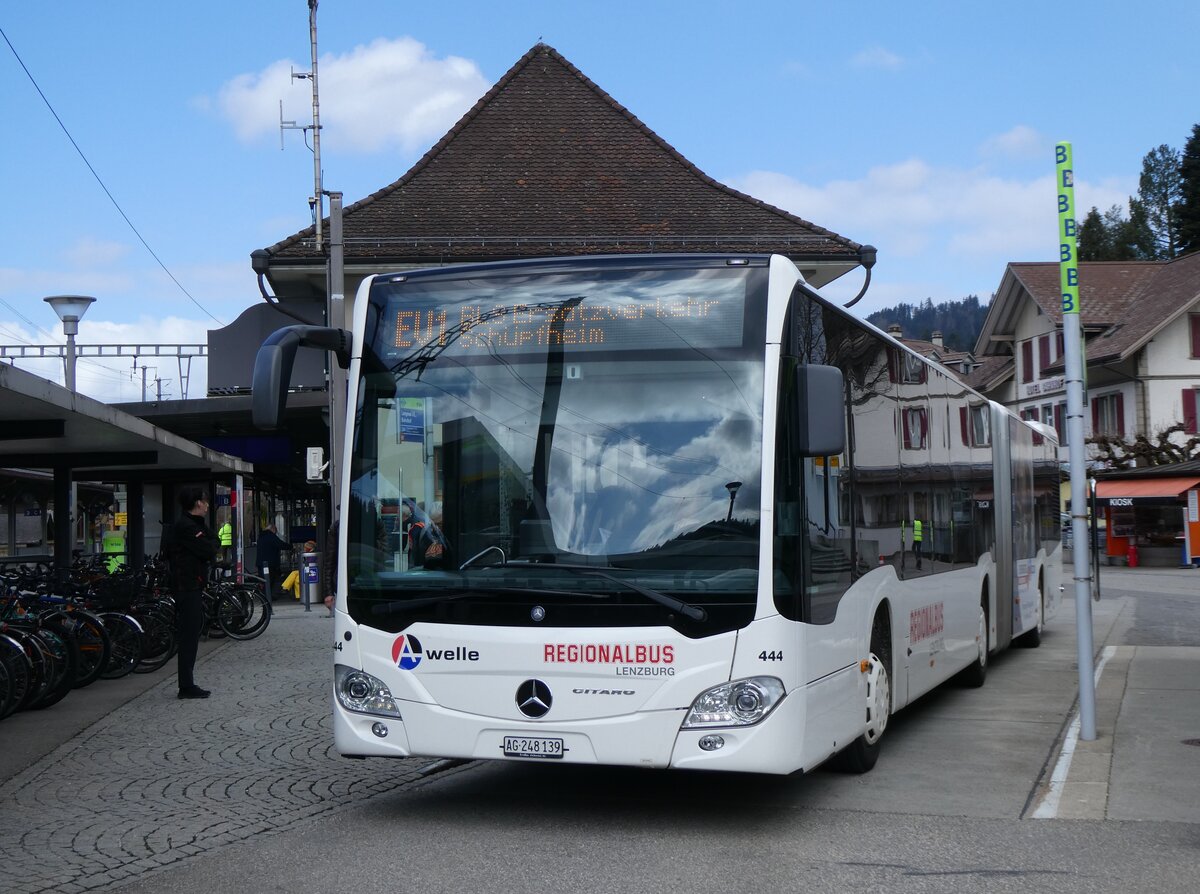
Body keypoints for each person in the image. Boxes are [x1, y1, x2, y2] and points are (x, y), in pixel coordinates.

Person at [167, 486, 217, 700]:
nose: (207, 506)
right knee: (188, 635)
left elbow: (213, 542)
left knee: (192, 632)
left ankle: (187, 683)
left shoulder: (193, 524)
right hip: (185, 586)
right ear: (198, 503)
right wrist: (207, 544)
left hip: (192, 584)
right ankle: (186, 686)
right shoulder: (186, 526)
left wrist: (206, 540)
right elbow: (209, 549)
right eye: (205, 502)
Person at [257, 523, 290, 600]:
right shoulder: (271, 536)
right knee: (270, 580)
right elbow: (280, 544)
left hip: (261, 562)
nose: (276, 532)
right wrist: (290, 546)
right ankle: (268, 597)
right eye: (275, 530)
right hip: (270, 563)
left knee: (264, 580)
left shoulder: (261, 536)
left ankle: (265, 596)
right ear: (273, 529)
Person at [322, 518, 339, 617]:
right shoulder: (337, 527)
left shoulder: (373, 522)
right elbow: (330, 561)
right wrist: (328, 593)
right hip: (342, 583)